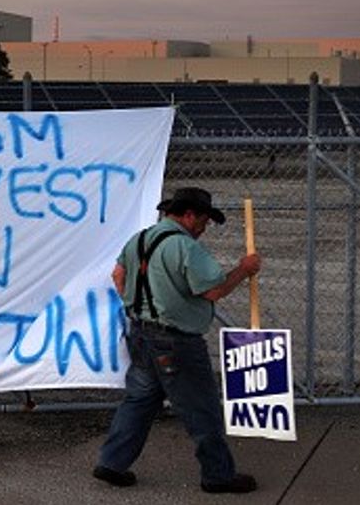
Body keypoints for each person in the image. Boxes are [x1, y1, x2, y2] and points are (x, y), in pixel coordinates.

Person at [93, 187, 262, 494]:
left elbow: (118, 274)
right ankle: (218, 475)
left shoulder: (140, 239)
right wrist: (244, 269)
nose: (204, 228)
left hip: (141, 333)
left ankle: (112, 462)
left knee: (140, 399)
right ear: (188, 215)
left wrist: (135, 304)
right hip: (177, 341)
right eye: (204, 220)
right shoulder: (185, 247)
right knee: (202, 407)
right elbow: (213, 290)